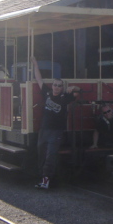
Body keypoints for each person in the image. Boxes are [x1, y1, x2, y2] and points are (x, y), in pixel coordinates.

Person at [32, 56, 80, 189]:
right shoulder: (47, 93)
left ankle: (47, 181)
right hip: (44, 129)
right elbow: (39, 79)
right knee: (41, 154)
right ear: (52, 85)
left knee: (50, 155)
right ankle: (41, 178)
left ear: (62, 87)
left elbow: (77, 92)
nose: (56, 87)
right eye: (55, 85)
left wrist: (73, 87)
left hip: (56, 131)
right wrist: (35, 64)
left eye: (59, 86)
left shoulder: (65, 97)